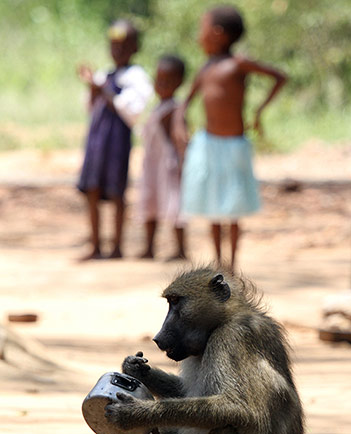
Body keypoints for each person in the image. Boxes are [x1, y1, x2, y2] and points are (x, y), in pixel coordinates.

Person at [173, 5, 287, 271]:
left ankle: (232, 266)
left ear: (217, 33)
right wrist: (180, 125)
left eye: (202, 29)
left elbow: (279, 77)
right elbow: (184, 103)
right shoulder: (205, 69)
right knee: (214, 206)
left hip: (235, 145)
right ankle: (219, 263)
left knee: (233, 207)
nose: (199, 36)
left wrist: (259, 111)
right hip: (208, 144)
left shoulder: (238, 64)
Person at [77, 19, 153, 260]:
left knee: (117, 191)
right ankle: (95, 244)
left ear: (135, 47)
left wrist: (102, 89)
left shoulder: (137, 76)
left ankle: (117, 246)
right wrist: (92, 87)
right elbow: (90, 107)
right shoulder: (105, 74)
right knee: (92, 188)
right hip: (96, 141)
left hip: (117, 141)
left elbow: (131, 110)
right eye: (114, 46)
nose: (117, 51)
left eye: (123, 46)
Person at [138, 55, 187, 261]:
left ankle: (181, 250)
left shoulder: (174, 109)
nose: (162, 85)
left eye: (168, 80)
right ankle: (149, 248)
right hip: (152, 165)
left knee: (174, 206)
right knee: (150, 203)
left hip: (168, 166)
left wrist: (184, 163)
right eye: (159, 79)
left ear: (179, 83)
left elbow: (182, 139)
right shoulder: (157, 108)